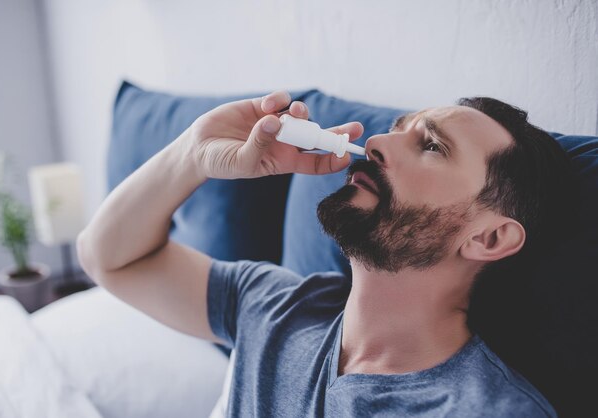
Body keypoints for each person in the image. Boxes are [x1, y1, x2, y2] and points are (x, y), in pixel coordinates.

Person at [77, 91, 572, 417]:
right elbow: (107, 258)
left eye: (433, 147)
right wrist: (192, 153)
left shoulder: (489, 411)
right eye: (399, 128)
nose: (377, 142)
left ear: (488, 238)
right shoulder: (276, 309)